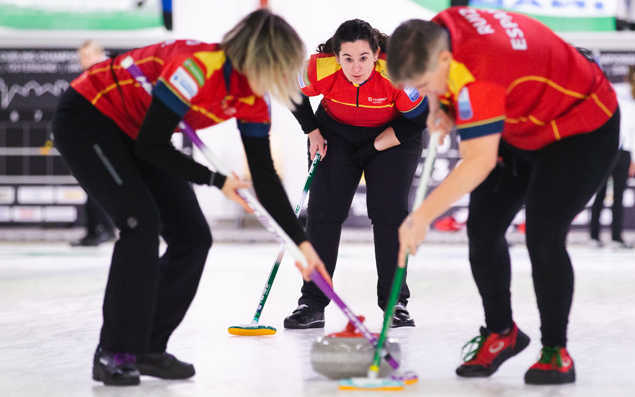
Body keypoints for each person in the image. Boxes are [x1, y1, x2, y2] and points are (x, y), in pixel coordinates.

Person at [52, 9, 330, 386]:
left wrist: (302, 245)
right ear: (261, 60)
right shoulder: (197, 68)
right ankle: (114, 351)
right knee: (139, 225)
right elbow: (152, 145)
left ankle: (147, 348)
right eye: (281, 69)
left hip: (137, 131)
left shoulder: (253, 97)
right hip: (90, 117)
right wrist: (217, 180)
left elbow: (264, 176)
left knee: (193, 238)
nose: (285, 80)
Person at [389, 7, 619, 385]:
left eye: (428, 85)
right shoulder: (439, 29)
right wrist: (440, 104)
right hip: (522, 122)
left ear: (445, 59)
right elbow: (446, 81)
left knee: (543, 234)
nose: (428, 92)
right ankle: (501, 333)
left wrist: (420, 218)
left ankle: (555, 351)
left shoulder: (482, 73)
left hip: (581, 127)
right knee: (482, 228)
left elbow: (478, 160)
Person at [284, 19, 428, 329]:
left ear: (377, 53)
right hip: (335, 131)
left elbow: (417, 120)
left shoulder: (397, 72)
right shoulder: (320, 68)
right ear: (336, 57)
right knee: (323, 213)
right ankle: (312, 302)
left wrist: (373, 147)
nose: (356, 67)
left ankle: (395, 303)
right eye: (347, 59)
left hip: (392, 135)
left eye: (364, 58)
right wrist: (312, 132)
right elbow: (290, 89)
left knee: (389, 214)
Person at [590, 65, 635, 249]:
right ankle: (616, 237)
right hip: (624, 152)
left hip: (605, 149)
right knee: (618, 196)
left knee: (600, 193)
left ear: (626, 76)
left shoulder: (614, 91)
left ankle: (593, 236)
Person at [70, 40, 117, 247]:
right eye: (82, 57)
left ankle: (105, 229)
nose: (84, 61)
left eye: (88, 56)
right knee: (90, 186)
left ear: (99, 55)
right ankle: (93, 230)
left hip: (104, 142)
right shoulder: (85, 80)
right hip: (88, 141)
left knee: (97, 187)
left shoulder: (108, 78)